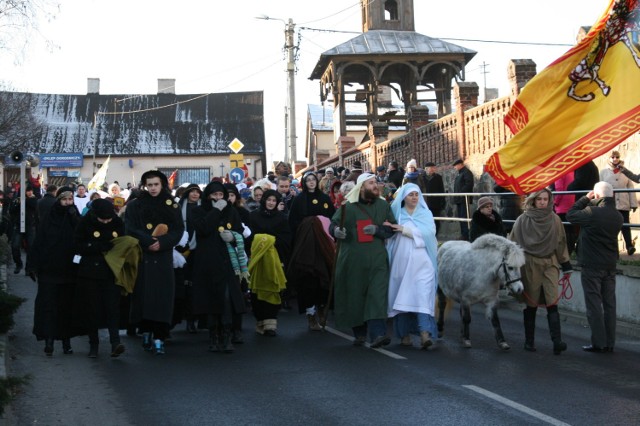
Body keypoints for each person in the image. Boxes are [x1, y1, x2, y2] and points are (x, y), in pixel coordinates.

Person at [330, 173, 396, 348]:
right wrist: (336, 231)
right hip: (353, 260)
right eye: (371, 183)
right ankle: (359, 333)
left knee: (377, 296)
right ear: (361, 187)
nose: (375, 185)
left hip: (377, 260)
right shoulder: (348, 206)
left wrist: (377, 229)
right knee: (355, 295)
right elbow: (333, 224)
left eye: (376, 182)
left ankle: (378, 335)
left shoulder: (383, 205)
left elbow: (391, 229)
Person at [125, 170, 184, 355]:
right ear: (144, 185)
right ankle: (146, 331)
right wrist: (148, 242)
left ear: (162, 184)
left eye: (156, 184)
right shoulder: (135, 205)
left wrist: (163, 243)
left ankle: (160, 334)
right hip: (143, 255)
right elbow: (130, 228)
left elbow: (177, 229)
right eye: (149, 185)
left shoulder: (171, 204)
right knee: (144, 295)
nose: (152, 188)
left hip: (163, 255)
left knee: (162, 296)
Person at [509, 188, 572, 355]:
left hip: (550, 262)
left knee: (552, 302)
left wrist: (566, 265)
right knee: (532, 303)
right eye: (540, 199)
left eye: (546, 199)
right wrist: (512, 268)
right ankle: (529, 341)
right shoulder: (522, 220)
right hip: (530, 263)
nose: (543, 202)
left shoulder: (555, 219)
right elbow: (512, 244)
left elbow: (561, 242)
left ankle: (557, 341)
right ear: (533, 201)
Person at [567, 181, 623, 353]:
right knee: (609, 305)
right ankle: (610, 342)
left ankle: (599, 342)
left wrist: (585, 198)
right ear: (612, 195)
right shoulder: (618, 216)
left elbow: (571, 215)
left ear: (597, 196)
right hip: (609, 264)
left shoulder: (591, 212)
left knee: (594, 305)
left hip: (591, 264)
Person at [191, 181, 246, 353]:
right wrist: (216, 210)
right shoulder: (198, 211)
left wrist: (233, 236)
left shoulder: (232, 211)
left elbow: (239, 231)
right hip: (207, 262)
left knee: (227, 299)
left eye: (221, 195)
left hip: (227, 262)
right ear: (207, 196)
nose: (218, 198)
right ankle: (213, 335)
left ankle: (228, 335)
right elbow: (203, 229)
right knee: (211, 299)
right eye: (214, 195)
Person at [386, 183, 438, 349]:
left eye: (416, 194)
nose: (414, 197)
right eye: (410, 195)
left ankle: (425, 334)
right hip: (401, 262)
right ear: (404, 197)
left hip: (422, 262)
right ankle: (404, 335)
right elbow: (389, 235)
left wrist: (405, 229)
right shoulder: (397, 213)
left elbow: (430, 233)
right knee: (402, 297)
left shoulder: (425, 213)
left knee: (422, 295)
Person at [29, 187, 80, 356]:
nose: (67, 203)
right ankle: (49, 341)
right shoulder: (49, 219)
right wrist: (32, 265)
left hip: (69, 272)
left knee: (67, 308)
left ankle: (66, 342)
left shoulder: (75, 217)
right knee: (49, 307)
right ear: (58, 200)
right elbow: (39, 242)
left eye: (70, 200)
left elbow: (82, 239)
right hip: (49, 271)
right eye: (64, 200)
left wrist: (74, 219)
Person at [73, 199, 126, 358]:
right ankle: (93, 344)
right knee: (92, 309)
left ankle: (115, 342)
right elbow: (77, 245)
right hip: (90, 273)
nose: (106, 221)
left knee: (112, 308)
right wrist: (98, 247)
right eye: (102, 219)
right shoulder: (85, 223)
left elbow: (123, 240)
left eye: (108, 219)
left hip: (111, 272)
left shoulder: (117, 222)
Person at [287, 171, 335, 330]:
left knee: (324, 276)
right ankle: (310, 314)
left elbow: (333, 218)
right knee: (308, 278)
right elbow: (292, 221)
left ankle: (322, 309)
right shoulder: (299, 199)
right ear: (304, 183)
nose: (311, 182)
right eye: (308, 180)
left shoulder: (325, 198)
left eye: (313, 179)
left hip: (323, 243)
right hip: (306, 244)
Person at [248, 190, 291, 336]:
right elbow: (248, 236)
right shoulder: (253, 216)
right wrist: (262, 241)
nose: (271, 203)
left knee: (273, 287)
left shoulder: (282, 218)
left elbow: (286, 239)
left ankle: (271, 323)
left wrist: (270, 242)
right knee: (257, 289)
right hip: (257, 259)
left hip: (275, 259)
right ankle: (260, 319)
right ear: (264, 200)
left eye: (274, 200)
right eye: (269, 200)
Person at [174, 184, 202, 334]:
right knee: (183, 285)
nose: (195, 194)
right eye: (192, 191)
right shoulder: (179, 207)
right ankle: (184, 316)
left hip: (199, 249)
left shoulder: (203, 207)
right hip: (182, 248)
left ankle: (194, 318)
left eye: (198, 192)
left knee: (196, 285)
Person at [600, 151, 637, 255]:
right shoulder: (603, 172)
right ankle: (613, 249)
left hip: (623, 202)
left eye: (617, 157)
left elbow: (630, 187)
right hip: (610, 203)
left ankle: (629, 246)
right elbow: (600, 186)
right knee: (611, 226)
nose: (615, 159)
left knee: (625, 225)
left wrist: (633, 203)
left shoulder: (625, 171)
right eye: (612, 157)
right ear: (609, 158)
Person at [9, 184, 38, 275]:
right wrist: (18, 203)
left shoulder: (34, 199)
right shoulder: (17, 199)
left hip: (30, 226)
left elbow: (34, 206)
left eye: (31, 190)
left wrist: (25, 200)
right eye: (28, 191)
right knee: (15, 246)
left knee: (31, 248)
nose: (30, 192)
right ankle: (18, 264)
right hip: (19, 226)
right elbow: (12, 210)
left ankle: (28, 268)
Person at [552, 171, 577, 256]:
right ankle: (569, 251)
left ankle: (563, 253)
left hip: (562, 205)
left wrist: (555, 202)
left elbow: (559, 189)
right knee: (570, 230)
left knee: (562, 231)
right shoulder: (570, 170)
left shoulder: (559, 171)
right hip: (571, 203)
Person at [452, 158, 474, 240]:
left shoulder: (466, 172)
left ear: (461, 165)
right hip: (459, 199)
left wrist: (461, 193)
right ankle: (463, 234)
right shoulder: (460, 173)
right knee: (461, 217)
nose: (455, 167)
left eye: (456, 166)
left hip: (464, 198)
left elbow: (469, 184)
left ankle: (466, 235)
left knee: (464, 217)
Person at [423, 162, 445, 236]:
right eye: (431, 168)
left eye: (434, 168)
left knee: (436, 220)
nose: (433, 169)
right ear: (426, 169)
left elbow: (441, 189)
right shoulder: (421, 178)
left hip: (436, 202)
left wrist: (442, 200)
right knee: (426, 220)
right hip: (425, 203)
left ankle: (435, 235)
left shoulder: (438, 177)